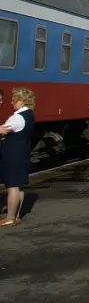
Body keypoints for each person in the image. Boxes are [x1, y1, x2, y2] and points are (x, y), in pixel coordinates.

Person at [0, 88, 35, 227]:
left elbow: (3, 129)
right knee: (19, 186)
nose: (11, 102)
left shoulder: (17, 117)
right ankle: (16, 216)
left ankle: (9, 217)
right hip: (22, 153)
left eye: (14, 99)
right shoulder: (29, 115)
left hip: (12, 155)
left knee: (12, 186)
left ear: (21, 100)